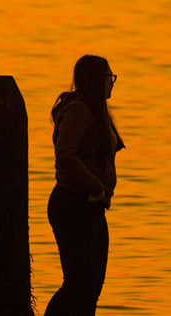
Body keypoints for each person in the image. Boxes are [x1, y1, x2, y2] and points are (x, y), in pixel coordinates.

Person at [46, 54, 125, 316]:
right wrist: (96, 186)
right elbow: (66, 155)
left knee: (91, 286)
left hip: (92, 208)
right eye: (108, 78)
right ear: (95, 80)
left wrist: (102, 191)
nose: (111, 83)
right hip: (72, 204)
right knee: (77, 284)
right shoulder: (79, 110)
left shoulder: (97, 111)